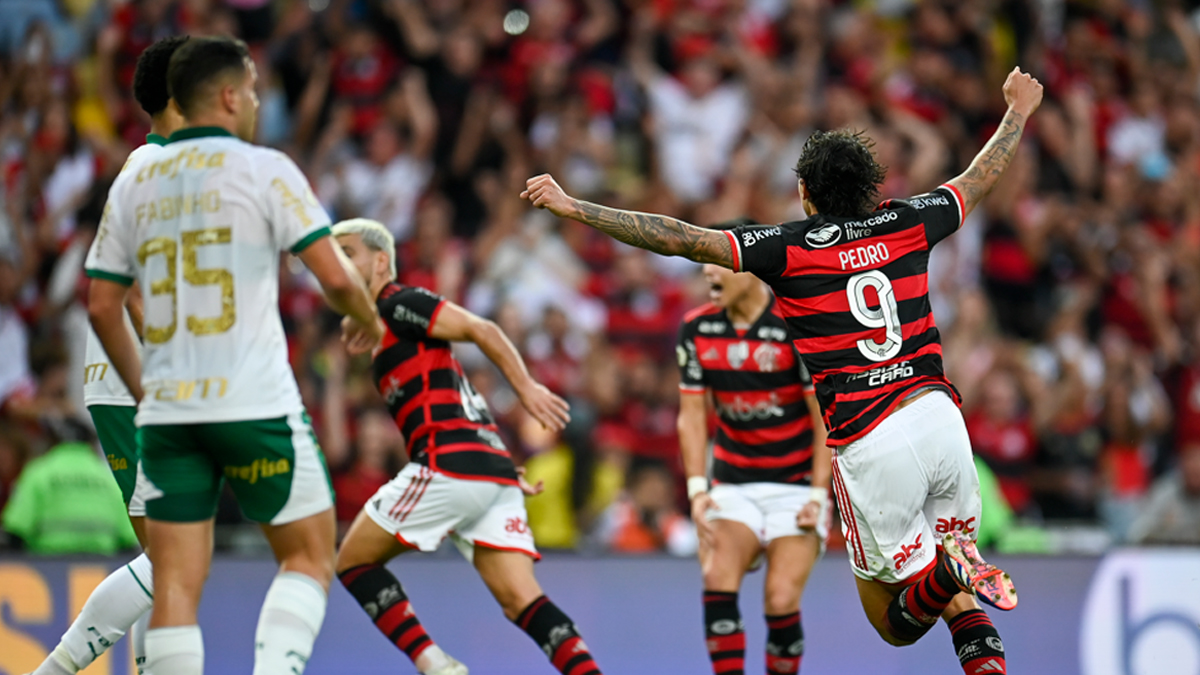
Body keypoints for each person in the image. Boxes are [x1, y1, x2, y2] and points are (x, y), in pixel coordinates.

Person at [522, 67, 1045, 675]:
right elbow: (977, 178)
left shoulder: (787, 247)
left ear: (805, 192)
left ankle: (950, 568)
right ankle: (960, 577)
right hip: (940, 419)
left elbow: (678, 239)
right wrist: (1017, 112)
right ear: (873, 188)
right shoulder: (910, 220)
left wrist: (574, 206)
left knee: (897, 622)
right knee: (959, 599)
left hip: (873, 440)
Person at [85, 36, 383, 675]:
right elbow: (334, 279)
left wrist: (147, 394)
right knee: (308, 553)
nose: (255, 101)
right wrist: (369, 319)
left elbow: (102, 307)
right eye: (250, 89)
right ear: (226, 96)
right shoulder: (265, 169)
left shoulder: (134, 181)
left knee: (175, 585)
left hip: (168, 413)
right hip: (252, 401)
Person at [330, 218, 603, 675]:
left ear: (381, 261)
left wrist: (527, 389)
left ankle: (436, 665)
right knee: (522, 601)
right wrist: (496, 464)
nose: (337, 263)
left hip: (448, 466)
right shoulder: (380, 324)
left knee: (353, 562)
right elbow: (454, 397)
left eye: (348, 252)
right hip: (486, 470)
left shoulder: (400, 302)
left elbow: (484, 329)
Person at [26, 35, 188, 675]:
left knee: (166, 559)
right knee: (177, 554)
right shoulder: (155, 170)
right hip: (137, 377)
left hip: (124, 376)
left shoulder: (155, 166)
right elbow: (131, 286)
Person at [675, 223, 831, 675]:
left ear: (749, 267)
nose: (707, 272)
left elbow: (823, 417)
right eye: (704, 263)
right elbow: (691, 416)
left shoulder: (793, 326)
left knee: (780, 599)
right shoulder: (696, 328)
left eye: (717, 262)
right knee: (716, 576)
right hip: (733, 481)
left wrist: (820, 495)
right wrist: (696, 488)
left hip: (796, 484)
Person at [2, 418, 137, 554]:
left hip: (46, 566)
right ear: (90, 443)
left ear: (53, 440)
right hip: (101, 567)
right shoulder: (108, 477)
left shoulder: (38, 473)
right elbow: (128, 538)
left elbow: (16, 528)